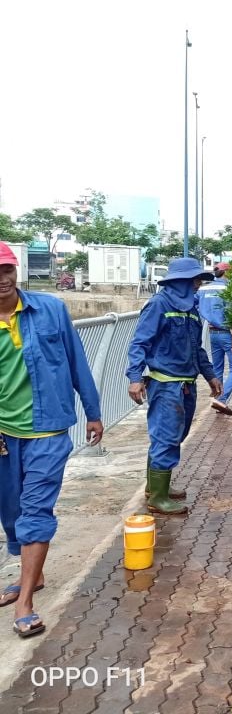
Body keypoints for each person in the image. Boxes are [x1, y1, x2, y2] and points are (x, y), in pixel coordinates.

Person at [0, 242, 103, 638]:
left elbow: (77, 361)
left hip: (48, 431)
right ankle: (35, 575)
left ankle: (25, 600)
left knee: (35, 512)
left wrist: (93, 413)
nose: (3, 279)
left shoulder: (51, 309)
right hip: (5, 436)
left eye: (7, 270)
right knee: (10, 513)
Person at [126, 257, 222, 515]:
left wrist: (210, 374)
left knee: (174, 436)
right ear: (183, 282)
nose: (199, 285)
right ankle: (157, 498)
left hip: (185, 384)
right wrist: (135, 378)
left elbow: (196, 348)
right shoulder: (159, 305)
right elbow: (139, 344)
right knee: (165, 437)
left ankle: (155, 487)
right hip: (166, 384)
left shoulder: (191, 310)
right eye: (196, 280)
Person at [198, 262, 232, 416]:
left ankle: (217, 400)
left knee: (217, 367)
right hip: (227, 333)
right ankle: (222, 400)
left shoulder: (204, 288)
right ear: (227, 272)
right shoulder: (229, 288)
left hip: (212, 333)